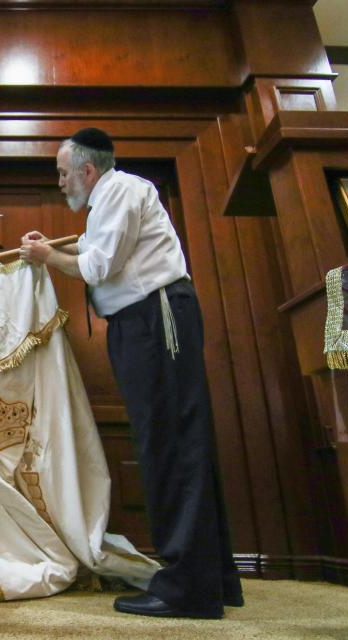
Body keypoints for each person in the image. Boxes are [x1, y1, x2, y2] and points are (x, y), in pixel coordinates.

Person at [19, 128, 243, 619]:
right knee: (179, 441)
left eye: (62, 173)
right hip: (146, 319)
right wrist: (58, 247)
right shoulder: (111, 201)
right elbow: (96, 248)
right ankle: (211, 579)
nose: (59, 183)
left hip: (154, 318)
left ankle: (186, 587)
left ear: (87, 171)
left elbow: (99, 265)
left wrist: (46, 258)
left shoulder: (119, 189)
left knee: (168, 443)